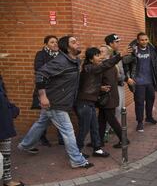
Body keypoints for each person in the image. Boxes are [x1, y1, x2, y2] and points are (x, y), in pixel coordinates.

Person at [18, 36, 93, 169]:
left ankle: (25, 145)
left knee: (41, 123)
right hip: (55, 102)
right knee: (68, 131)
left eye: (77, 41)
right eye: (74, 42)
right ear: (67, 47)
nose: (78, 43)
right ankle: (77, 160)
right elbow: (40, 74)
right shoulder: (60, 61)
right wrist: (42, 97)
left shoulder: (73, 60)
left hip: (59, 100)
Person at [75, 47, 122, 157]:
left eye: (100, 54)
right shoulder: (89, 67)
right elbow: (105, 65)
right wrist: (120, 55)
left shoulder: (92, 68)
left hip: (90, 102)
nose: (100, 57)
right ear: (91, 59)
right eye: (97, 55)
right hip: (84, 103)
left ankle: (97, 148)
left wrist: (99, 88)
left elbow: (89, 83)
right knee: (84, 128)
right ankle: (76, 152)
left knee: (95, 126)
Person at [124, 32, 157, 132]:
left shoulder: (151, 49)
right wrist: (128, 78)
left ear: (148, 40)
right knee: (139, 103)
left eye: (146, 39)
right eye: (142, 40)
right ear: (138, 41)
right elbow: (125, 64)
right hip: (138, 81)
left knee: (150, 100)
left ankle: (149, 117)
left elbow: (156, 62)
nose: (144, 41)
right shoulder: (133, 50)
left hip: (150, 81)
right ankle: (140, 122)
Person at [31, 35, 64, 147]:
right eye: (52, 42)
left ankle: (61, 138)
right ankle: (40, 137)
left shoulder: (61, 55)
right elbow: (39, 69)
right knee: (44, 117)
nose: (55, 44)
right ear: (46, 44)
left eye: (56, 42)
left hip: (58, 90)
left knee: (61, 112)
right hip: (45, 89)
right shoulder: (41, 54)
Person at [99, 46, 130, 148]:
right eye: (99, 51)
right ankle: (99, 141)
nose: (99, 53)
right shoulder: (107, 65)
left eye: (102, 51)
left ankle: (124, 139)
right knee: (101, 119)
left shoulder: (107, 66)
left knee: (111, 120)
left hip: (109, 97)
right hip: (108, 97)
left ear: (108, 54)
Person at [0, 76, 25, 186]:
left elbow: (4, 101)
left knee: (6, 155)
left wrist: (12, 110)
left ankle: (7, 180)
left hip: (4, 123)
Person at [103, 34, 126, 142]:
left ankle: (110, 129)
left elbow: (121, 70)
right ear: (110, 43)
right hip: (112, 86)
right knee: (113, 110)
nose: (118, 44)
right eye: (116, 42)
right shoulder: (107, 55)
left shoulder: (117, 53)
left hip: (119, 84)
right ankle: (106, 131)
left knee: (120, 108)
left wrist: (124, 78)